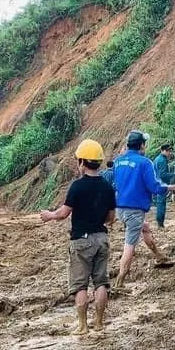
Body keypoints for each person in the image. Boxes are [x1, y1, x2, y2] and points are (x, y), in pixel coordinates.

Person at [40, 139, 116, 336]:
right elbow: (110, 218)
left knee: (80, 284)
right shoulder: (108, 187)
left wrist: (49, 215)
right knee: (101, 282)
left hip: (81, 241)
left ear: (82, 162)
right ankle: (99, 323)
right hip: (101, 239)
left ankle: (82, 326)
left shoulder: (77, 186)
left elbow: (64, 213)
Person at [113, 130, 175, 289]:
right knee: (129, 245)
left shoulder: (118, 161)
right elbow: (154, 186)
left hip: (120, 208)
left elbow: (116, 184)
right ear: (142, 145)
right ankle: (120, 281)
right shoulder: (144, 163)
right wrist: (173, 187)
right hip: (135, 209)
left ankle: (159, 256)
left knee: (145, 228)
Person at [152, 144, 175, 228]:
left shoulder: (158, 159)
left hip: (157, 183)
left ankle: (160, 223)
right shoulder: (162, 160)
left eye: (170, 151)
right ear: (162, 151)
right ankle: (160, 223)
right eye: (168, 151)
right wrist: (173, 175)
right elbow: (163, 174)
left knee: (160, 203)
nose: (169, 153)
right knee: (161, 204)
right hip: (161, 184)